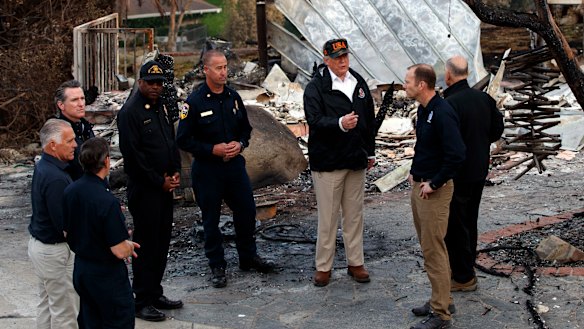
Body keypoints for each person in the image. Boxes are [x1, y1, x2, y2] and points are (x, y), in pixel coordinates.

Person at [176, 49, 274, 289]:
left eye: (225, 67)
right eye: (218, 68)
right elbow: (183, 140)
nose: (224, 72)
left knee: (246, 211)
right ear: (206, 70)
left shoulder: (233, 97)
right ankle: (217, 266)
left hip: (234, 168)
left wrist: (239, 144)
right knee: (211, 219)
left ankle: (248, 257)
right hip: (208, 171)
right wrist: (212, 149)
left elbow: (246, 130)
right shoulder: (194, 102)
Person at [303, 38, 376, 287]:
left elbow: (369, 120)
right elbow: (313, 120)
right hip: (328, 161)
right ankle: (324, 266)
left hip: (355, 158)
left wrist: (371, 152)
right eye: (337, 58)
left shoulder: (359, 83)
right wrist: (339, 124)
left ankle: (356, 262)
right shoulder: (315, 87)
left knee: (354, 215)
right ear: (326, 60)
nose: (343, 61)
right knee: (329, 217)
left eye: (345, 56)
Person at [117, 60, 183, 322]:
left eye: (159, 83)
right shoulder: (130, 112)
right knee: (146, 245)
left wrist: (175, 170)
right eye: (151, 83)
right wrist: (159, 182)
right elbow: (134, 158)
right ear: (140, 82)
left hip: (165, 187)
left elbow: (170, 141)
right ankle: (142, 299)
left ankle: (155, 292)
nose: (155, 87)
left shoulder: (162, 107)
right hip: (146, 190)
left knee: (162, 242)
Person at [404, 64, 465, 329]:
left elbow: (457, 153)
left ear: (421, 85)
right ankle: (441, 298)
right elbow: (426, 146)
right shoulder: (424, 109)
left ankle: (441, 315)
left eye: (408, 81)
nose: (404, 85)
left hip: (434, 193)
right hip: (420, 187)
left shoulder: (442, 112)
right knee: (430, 248)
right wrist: (414, 172)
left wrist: (435, 182)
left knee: (434, 250)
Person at [63, 137, 140, 328]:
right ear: (106, 161)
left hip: (81, 268)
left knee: (90, 321)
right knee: (118, 321)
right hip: (106, 275)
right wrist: (129, 246)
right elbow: (119, 250)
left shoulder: (71, 191)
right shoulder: (106, 201)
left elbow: (66, 231)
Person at [443, 56, 504, 292]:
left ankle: (462, 275)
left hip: (457, 172)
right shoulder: (484, 99)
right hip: (478, 169)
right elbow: (497, 130)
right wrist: (479, 142)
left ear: (449, 75)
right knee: (470, 220)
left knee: (455, 224)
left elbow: (446, 141)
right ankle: (465, 268)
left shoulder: (450, 103)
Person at [28, 118, 79, 329]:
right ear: (53, 145)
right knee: (66, 313)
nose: (75, 144)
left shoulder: (46, 166)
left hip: (42, 248)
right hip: (54, 252)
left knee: (48, 306)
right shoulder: (55, 177)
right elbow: (65, 226)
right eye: (70, 141)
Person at [55, 80, 95, 181]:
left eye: (82, 98)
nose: (81, 104)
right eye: (74, 100)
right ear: (61, 105)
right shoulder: (58, 133)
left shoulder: (85, 127)